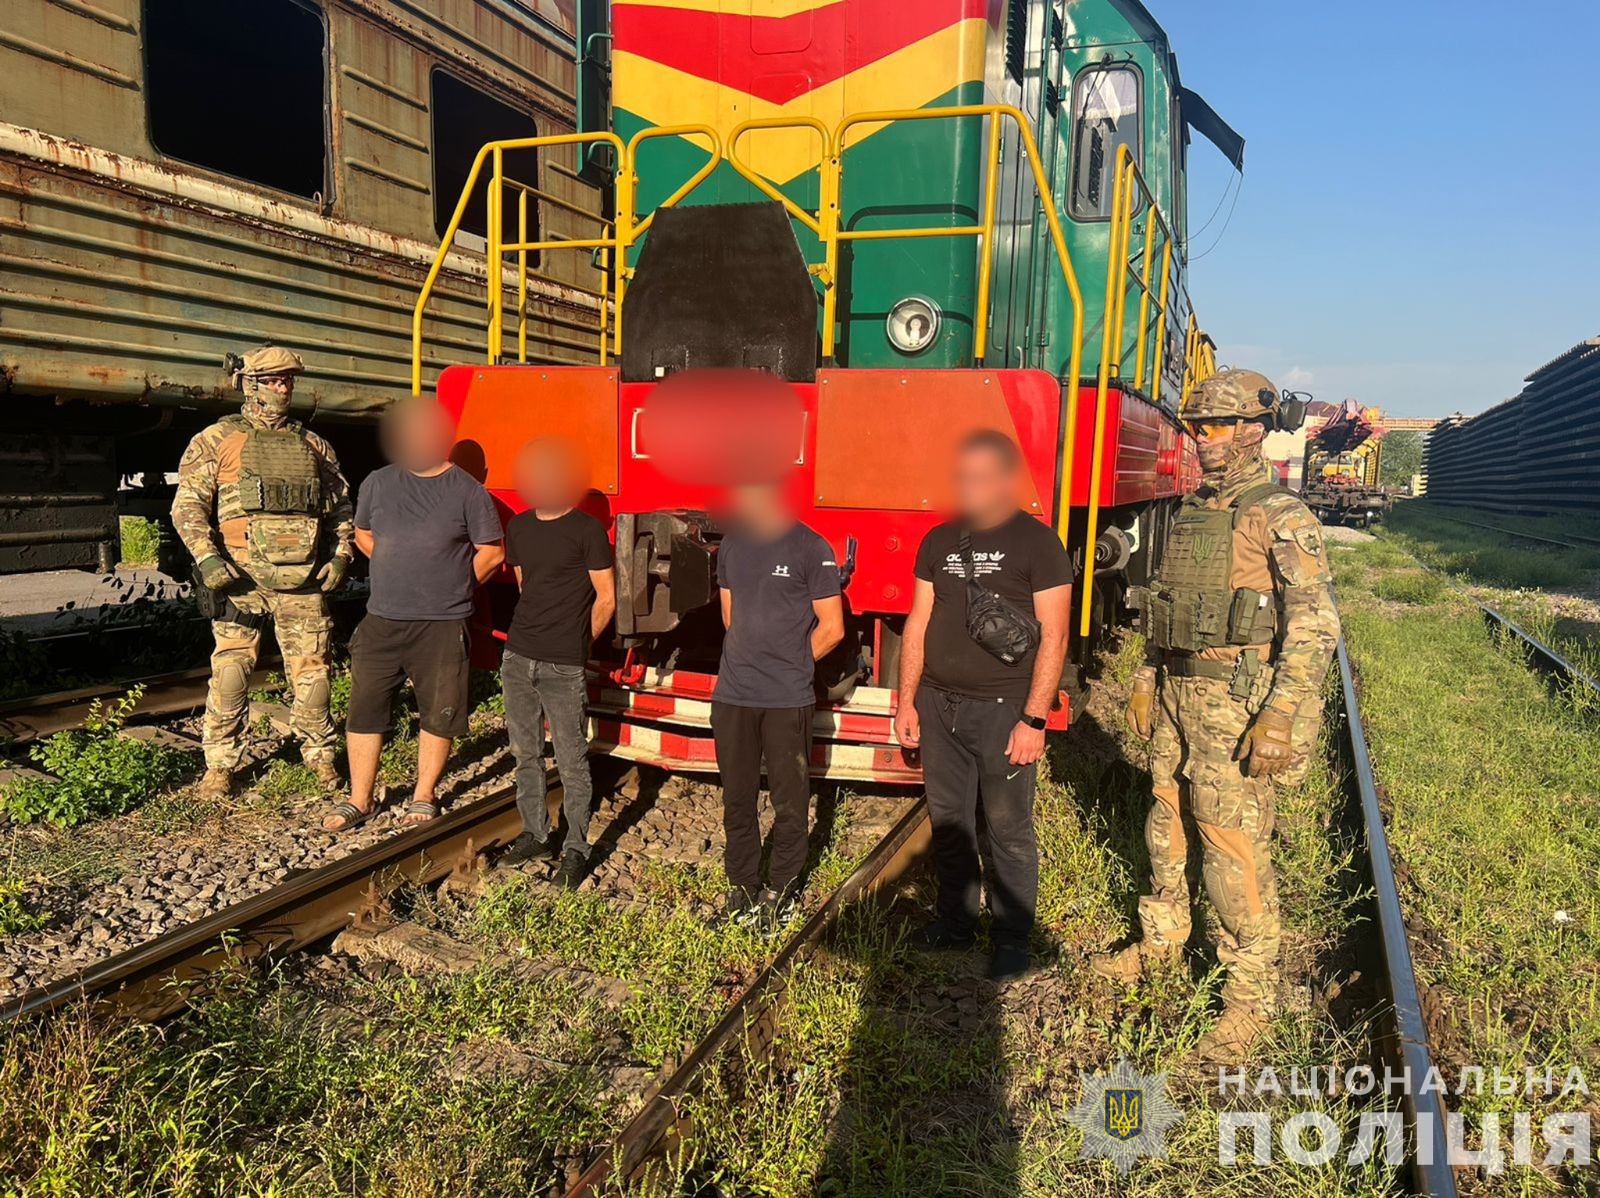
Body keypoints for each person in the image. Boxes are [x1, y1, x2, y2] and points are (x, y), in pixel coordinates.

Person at [1091, 368, 1340, 1061]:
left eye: (1221, 425)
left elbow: (1315, 628)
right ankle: (1161, 940)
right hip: (1177, 695)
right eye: (1199, 425)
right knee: (1165, 818)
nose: (1205, 438)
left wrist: (1280, 716)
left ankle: (1249, 999)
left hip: (1235, 703)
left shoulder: (1283, 518)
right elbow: (1169, 603)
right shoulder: (1196, 512)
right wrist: (1145, 675)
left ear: (1256, 429)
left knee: (1231, 844)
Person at [895, 430, 1072, 981]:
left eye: (978, 477)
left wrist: (1033, 718)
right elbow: (918, 622)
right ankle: (956, 921)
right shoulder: (939, 539)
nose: (967, 487)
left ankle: (1014, 936)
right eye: (961, 477)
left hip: (1003, 710)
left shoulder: (1039, 544)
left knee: (1008, 827)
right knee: (950, 822)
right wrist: (907, 701)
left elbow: (1056, 636)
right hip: (939, 705)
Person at [172, 346, 353, 800]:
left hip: (303, 580)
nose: (283, 387)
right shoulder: (216, 439)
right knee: (232, 671)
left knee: (313, 674)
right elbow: (188, 505)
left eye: (288, 380)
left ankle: (321, 755)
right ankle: (220, 764)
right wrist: (208, 558)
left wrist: (341, 553)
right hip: (241, 580)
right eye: (273, 380)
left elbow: (339, 507)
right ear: (249, 384)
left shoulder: (314, 445)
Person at [322, 398, 505, 831]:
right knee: (365, 710)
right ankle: (359, 799)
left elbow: (493, 553)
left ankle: (424, 795)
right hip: (382, 618)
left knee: (438, 711)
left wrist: (453, 586)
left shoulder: (468, 491)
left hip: (442, 624)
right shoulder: (378, 483)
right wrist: (393, 563)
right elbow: (363, 532)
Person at [712, 481, 845, 926]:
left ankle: (781, 889)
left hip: (786, 698)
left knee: (790, 801)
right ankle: (742, 887)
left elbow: (833, 627)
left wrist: (791, 664)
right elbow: (731, 618)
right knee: (738, 798)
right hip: (733, 695)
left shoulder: (810, 546)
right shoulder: (731, 545)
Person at [498, 438, 616, 888]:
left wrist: (580, 642)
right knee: (524, 753)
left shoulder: (587, 531)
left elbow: (606, 596)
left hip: (563, 663)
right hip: (518, 656)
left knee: (571, 759)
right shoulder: (521, 527)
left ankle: (576, 848)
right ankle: (534, 833)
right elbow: (528, 587)